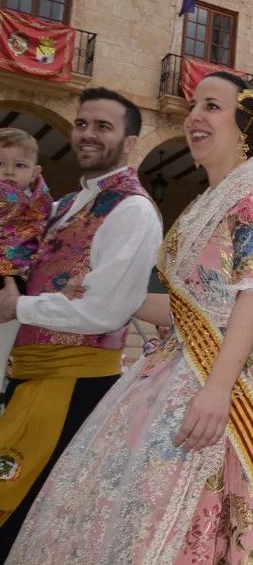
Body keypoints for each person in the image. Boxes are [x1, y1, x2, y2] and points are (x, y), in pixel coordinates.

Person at [5, 73, 253, 563]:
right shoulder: (208, 200)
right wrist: (118, 296)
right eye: (194, 106)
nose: (195, 118)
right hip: (179, 359)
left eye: (212, 106)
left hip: (239, 374)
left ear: (243, 123)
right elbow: (196, 304)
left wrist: (217, 390)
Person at [0, 88, 162, 555]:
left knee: (22, 514)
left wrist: (18, 308)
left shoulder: (132, 210)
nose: (88, 134)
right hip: (31, 376)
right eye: (83, 124)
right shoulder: (65, 204)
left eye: (103, 127)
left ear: (130, 141)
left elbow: (105, 310)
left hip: (70, 384)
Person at [0, 128, 52, 401]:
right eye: (0, 164)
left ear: (35, 171)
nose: (8, 172)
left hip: (23, 280)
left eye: (19, 165)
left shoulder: (41, 202)